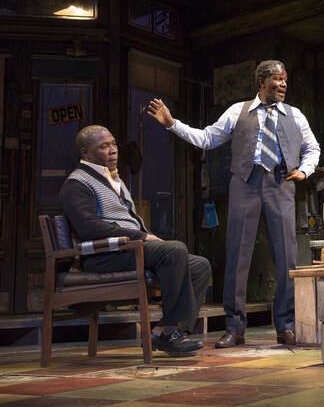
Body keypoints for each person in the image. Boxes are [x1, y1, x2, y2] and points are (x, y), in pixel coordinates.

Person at [147, 60, 320, 347]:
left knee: (287, 257)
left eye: (286, 80)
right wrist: (172, 124)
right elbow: (206, 139)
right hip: (244, 184)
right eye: (278, 79)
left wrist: (305, 170)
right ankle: (235, 327)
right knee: (238, 256)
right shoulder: (237, 112)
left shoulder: (295, 115)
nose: (283, 84)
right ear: (262, 81)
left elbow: (312, 146)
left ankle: (285, 325)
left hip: (281, 183)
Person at [59, 125, 211, 357]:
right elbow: (89, 227)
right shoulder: (76, 184)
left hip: (129, 250)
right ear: (85, 153)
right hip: (104, 256)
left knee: (200, 266)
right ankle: (168, 333)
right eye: (103, 146)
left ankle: (169, 330)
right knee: (174, 250)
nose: (113, 150)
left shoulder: (112, 179)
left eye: (113, 144)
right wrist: (142, 236)